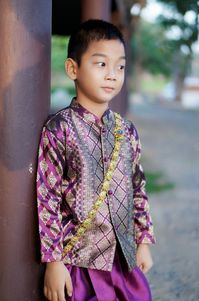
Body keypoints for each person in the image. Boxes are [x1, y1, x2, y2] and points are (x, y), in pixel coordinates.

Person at [36, 19, 156, 301]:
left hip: (122, 260)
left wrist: (143, 241)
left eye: (120, 66)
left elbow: (138, 187)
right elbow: (47, 197)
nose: (112, 75)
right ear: (72, 68)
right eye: (101, 64)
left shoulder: (127, 131)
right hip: (79, 262)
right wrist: (53, 261)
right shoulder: (59, 128)